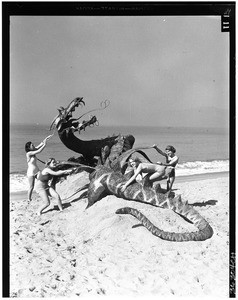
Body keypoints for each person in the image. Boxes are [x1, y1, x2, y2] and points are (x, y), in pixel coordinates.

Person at [25, 134, 53, 202]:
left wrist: (46, 138)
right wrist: (45, 145)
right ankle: (29, 199)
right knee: (31, 186)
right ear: (29, 147)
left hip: (37, 171)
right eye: (32, 145)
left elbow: (40, 144)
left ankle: (48, 193)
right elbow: (39, 151)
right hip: (31, 173)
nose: (33, 146)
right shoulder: (28, 154)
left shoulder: (33, 151)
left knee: (44, 180)